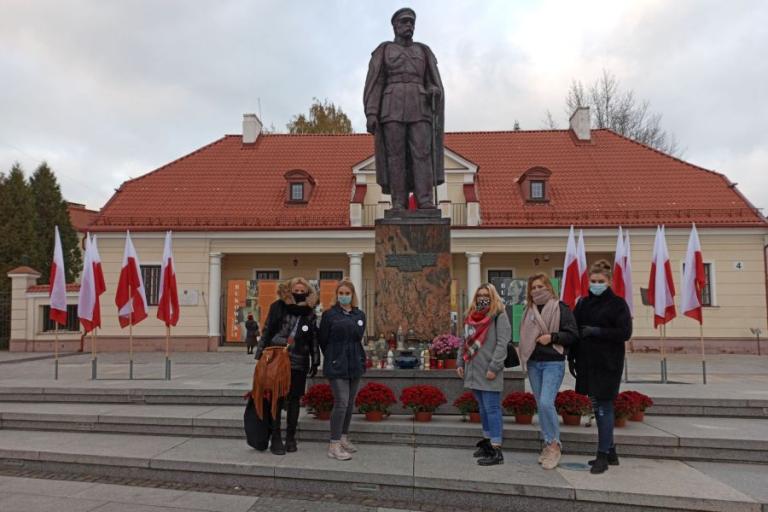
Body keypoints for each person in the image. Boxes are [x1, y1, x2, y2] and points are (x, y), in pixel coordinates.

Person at [364, 7, 445, 210]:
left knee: (422, 153)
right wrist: (372, 112)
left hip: (420, 106)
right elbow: (375, 82)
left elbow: (431, 81)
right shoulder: (384, 50)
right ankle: (398, 201)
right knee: (395, 155)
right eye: (405, 22)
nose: (409, 26)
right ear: (395, 26)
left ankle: (424, 200)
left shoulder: (423, 51)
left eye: (411, 22)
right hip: (391, 107)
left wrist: (434, 89)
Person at [570, 260, 632, 474]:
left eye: (600, 281)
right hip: (587, 363)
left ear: (609, 282)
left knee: (604, 408)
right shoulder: (583, 304)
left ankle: (602, 456)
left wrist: (597, 331)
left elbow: (624, 333)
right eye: (593, 281)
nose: (596, 284)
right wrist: (572, 357)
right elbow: (575, 330)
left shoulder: (618, 304)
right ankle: (611, 450)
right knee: (596, 406)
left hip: (608, 363)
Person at [254, 277, 320, 454]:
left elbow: (313, 337)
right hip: (277, 357)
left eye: (302, 291)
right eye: (296, 290)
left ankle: (290, 438)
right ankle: (276, 437)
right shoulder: (278, 306)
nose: (299, 294)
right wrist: (260, 354)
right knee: (277, 397)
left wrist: (316, 358)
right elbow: (267, 330)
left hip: (299, 359)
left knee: (294, 400)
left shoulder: (310, 312)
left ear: (307, 293)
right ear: (289, 291)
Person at [519, 273, 578, 470]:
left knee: (546, 402)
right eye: (533, 287)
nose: (536, 290)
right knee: (540, 404)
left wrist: (551, 337)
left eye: (540, 286)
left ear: (548, 287)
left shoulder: (560, 308)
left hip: (553, 363)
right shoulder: (529, 310)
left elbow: (572, 334)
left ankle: (555, 445)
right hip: (534, 363)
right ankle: (547, 443)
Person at [457, 283, 511, 466]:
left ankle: (497, 449)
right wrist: (460, 362)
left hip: (489, 370)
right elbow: (464, 342)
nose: (482, 298)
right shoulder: (470, 317)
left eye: (486, 294)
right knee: (482, 408)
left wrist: (494, 367)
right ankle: (487, 442)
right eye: (479, 294)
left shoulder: (499, 316)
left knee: (492, 408)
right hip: (473, 369)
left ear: (493, 296)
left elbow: (502, 344)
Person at [318, 279, 367, 461]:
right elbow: (323, 339)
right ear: (336, 295)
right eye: (341, 293)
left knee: (350, 403)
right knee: (341, 402)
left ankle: (344, 437)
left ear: (352, 295)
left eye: (347, 294)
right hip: (336, 362)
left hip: (355, 362)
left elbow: (359, 336)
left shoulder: (359, 315)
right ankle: (334, 444)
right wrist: (333, 355)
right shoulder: (329, 315)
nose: (344, 296)